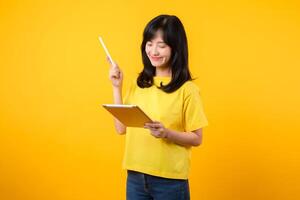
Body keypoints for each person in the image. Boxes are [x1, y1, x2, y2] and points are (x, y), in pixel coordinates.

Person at [107, 14, 208, 200]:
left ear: (176, 49)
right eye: (149, 43)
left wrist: (166, 133)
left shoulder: (187, 90)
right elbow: (120, 128)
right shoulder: (139, 84)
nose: (153, 51)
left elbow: (197, 138)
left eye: (161, 45)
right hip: (135, 177)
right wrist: (116, 87)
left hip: (170, 181)